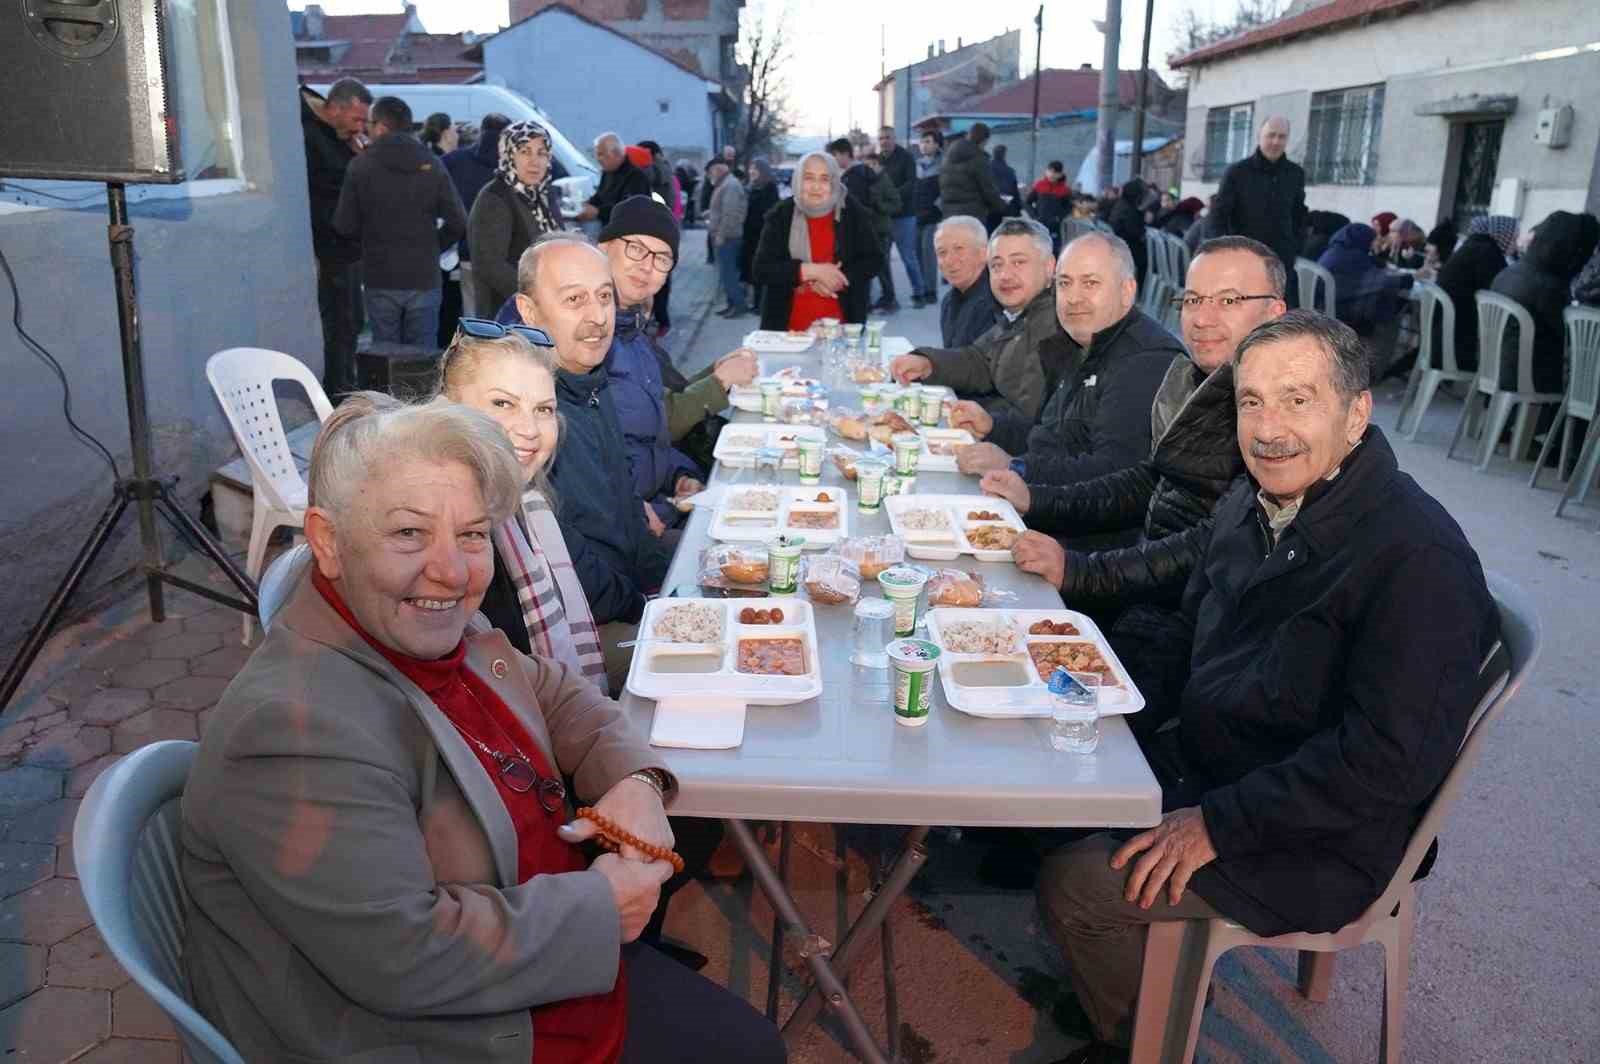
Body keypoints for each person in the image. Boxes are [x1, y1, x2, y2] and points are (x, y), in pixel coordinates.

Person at [179, 389, 786, 1064]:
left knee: (694, 836)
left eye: (471, 534)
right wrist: (600, 909)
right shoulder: (292, 730)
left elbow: (555, 693)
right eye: (408, 532)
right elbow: (402, 956)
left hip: (532, 943)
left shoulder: (420, 625)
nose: (452, 569)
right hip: (450, 1028)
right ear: (328, 541)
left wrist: (637, 781)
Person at [1035, 311, 1498, 1064]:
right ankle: (1147, 988)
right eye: (1252, 402)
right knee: (1041, 790)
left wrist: (1217, 823)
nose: (1268, 428)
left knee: (1077, 889)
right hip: (1225, 757)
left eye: (1297, 400)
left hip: (1322, 832)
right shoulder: (1256, 504)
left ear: (1356, 415)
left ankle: (1141, 1040)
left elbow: (1388, 763)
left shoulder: (1419, 558)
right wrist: (1106, 704)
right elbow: (1190, 633)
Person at [985, 239, 1287, 778]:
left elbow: (1213, 543)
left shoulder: (1272, 413)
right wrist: (1037, 495)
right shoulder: (1204, 380)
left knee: (1027, 710)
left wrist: (1082, 571)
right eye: (1193, 300)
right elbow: (1149, 480)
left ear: (1274, 313)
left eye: (1229, 299)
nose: (1203, 318)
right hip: (1149, 594)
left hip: (1191, 634)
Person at [512, 235, 671, 671]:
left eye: (604, 297)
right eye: (574, 299)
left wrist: (662, 581)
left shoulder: (590, 384)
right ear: (529, 311)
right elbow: (566, 561)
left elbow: (628, 510)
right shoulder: (531, 413)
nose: (597, 317)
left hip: (626, 594)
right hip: (576, 634)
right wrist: (645, 605)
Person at [936, 232, 1182, 503]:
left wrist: (1016, 467)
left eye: (1090, 283)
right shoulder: (1076, 341)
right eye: (1065, 283)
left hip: (1088, 535)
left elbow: (1113, 476)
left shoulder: (1145, 360)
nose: (1073, 297)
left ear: (1126, 291)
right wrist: (993, 427)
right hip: (1050, 503)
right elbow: (1051, 434)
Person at [596, 196, 705, 535]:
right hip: (622, 526)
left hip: (660, 506)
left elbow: (648, 439)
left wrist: (681, 475)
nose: (647, 266)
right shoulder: (586, 337)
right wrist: (634, 506)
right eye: (636, 249)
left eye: (662, 258)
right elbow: (583, 459)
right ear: (603, 247)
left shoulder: (636, 337)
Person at [888, 217, 1060, 420]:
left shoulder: (1057, 323)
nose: (1005, 274)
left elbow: (1031, 419)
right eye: (997, 265)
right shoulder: (1019, 313)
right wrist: (927, 363)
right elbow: (979, 360)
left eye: (1018, 262)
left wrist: (987, 423)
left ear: (1049, 267)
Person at [334, 95, 467, 348]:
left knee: (385, 357)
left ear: (382, 127)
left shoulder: (360, 166)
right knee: (423, 357)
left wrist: (370, 243)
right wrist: (432, 247)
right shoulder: (432, 163)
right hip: (424, 276)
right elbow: (458, 221)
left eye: (370, 124)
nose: (366, 129)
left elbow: (344, 225)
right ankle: (421, 390)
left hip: (380, 275)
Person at [752, 151, 882, 330]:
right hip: (787, 328)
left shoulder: (852, 212)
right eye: (809, 178)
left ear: (834, 182)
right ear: (798, 180)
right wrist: (809, 271)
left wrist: (837, 279)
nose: (816, 187)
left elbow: (874, 260)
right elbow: (761, 269)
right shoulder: (781, 215)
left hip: (843, 326)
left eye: (824, 179)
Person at [300, 77, 372, 397]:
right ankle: (337, 393)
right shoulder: (310, 136)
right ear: (336, 109)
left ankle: (345, 386)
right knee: (340, 324)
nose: (360, 127)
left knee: (353, 322)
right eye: (356, 119)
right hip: (328, 246)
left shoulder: (341, 137)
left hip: (347, 247)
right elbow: (327, 191)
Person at [1490, 209, 1600, 393]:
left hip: (1496, 370)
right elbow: (1570, 341)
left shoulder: (1511, 272)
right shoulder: (1548, 287)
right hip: (1527, 381)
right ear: (1572, 250)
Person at [467, 121, 564, 323]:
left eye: (541, 153)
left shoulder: (544, 195)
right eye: (525, 151)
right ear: (509, 154)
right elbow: (491, 266)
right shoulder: (495, 197)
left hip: (544, 312)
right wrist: (538, 299)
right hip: (507, 316)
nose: (534, 161)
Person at [1212, 116, 1307, 304]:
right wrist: (1223, 253)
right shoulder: (1237, 172)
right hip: (1243, 262)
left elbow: (1299, 214)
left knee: (1280, 322)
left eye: (1282, 137)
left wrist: (1296, 246)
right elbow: (1218, 216)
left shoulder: (1295, 174)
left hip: (1281, 263)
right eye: (1271, 135)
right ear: (1259, 136)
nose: (1276, 141)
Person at [1433, 214, 1518, 372]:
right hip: (1455, 343)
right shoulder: (1488, 253)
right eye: (1513, 238)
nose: (1515, 244)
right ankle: (1493, 384)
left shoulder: (1474, 245)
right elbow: (1499, 292)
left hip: (1441, 335)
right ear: (1503, 235)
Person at [1316, 222, 1413, 335]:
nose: (1375, 243)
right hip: (1339, 310)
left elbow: (1372, 263)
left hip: (1322, 306)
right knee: (1388, 302)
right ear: (1364, 239)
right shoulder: (1353, 257)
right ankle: (1384, 351)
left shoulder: (1336, 250)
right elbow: (1382, 280)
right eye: (1373, 239)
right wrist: (1407, 279)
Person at [931, 215, 1000, 349]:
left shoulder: (996, 302)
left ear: (983, 253)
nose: (950, 260)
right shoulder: (948, 301)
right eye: (942, 252)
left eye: (959, 249)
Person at [878, 125, 928, 307]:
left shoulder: (906, 158)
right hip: (884, 216)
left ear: (894, 138)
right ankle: (889, 297)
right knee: (882, 258)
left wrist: (891, 195)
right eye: (881, 138)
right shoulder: (878, 160)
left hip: (904, 215)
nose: (884, 141)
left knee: (908, 256)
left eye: (887, 137)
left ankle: (919, 293)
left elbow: (911, 184)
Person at [637, 140, 681, 336]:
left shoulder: (656, 170)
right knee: (659, 279)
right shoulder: (666, 169)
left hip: (658, 234)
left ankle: (661, 321)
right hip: (664, 232)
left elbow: (648, 179)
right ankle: (660, 320)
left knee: (658, 281)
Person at [576, 132, 652, 225]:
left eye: (601, 154)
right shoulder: (608, 172)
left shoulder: (637, 177)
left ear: (617, 153)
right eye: (596, 154)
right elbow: (600, 196)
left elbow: (630, 209)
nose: (598, 159)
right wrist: (587, 204)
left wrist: (598, 212)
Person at [706, 160, 750, 317]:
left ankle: (738, 305)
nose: (710, 175)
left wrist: (721, 235)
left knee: (729, 274)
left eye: (711, 172)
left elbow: (730, 214)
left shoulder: (730, 185)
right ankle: (732, 304)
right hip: (726, 236)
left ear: (718, 169)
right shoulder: (726, 183)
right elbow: (723, 210)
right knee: (726, 274)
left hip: (728, 237)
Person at [861, 151, 904, 311]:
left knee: (882, 266)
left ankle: (890, 299)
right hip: (868, 230)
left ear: (879, 166)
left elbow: (896, 203)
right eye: (867, 165)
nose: (870, 168)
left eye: (873, 165)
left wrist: (881, 207)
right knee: (868, 266)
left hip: (881, 231)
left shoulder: (884, 180)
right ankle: (867, 301)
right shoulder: (864, 180)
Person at [940, 122, 1005, 226]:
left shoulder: (948, 157)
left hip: (948, 213)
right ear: (985, 140)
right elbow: (987, 189)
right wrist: (1002, 206)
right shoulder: (979, 159)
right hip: (972, 215)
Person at [740, 159, 782, 318]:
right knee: (753, 272)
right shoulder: (754, 187)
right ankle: (757, 303)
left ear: (762, 171)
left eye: (755, 169)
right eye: (750, 168)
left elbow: (767, 214)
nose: (751, 171)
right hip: (751, 237)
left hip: (761, 237)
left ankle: (761, 305)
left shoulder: (769, 188)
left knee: (759, 271)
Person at [913, 129, 945, 305]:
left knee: (928, 253)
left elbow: (947, 190)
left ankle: (930, 291)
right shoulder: (917, 164)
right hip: (917, 214)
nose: (924, 145)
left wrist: (937, 207)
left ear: (937, 144)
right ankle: (921, 289)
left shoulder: (944, 165)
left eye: (928, 141)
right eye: (922, 141)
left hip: (934, 216)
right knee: (917, 252)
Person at [1108, 179, 1149, 292]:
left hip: (1117, 246)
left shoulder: (1120, 205)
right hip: (1127, 248)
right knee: (1147, 261)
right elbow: (1135, 232)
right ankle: (1141, 292)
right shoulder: (1130, 210)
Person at [1025, 161, 1071, 249]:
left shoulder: (1065, 190)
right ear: (1046, 171)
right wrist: (1034, 216)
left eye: (1056, 172)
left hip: (1054, 227)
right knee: (1037, 249)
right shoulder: (1039, 185)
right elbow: (1027, 203)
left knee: (1053, 250)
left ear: (1060, 174)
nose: (1052, 174)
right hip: (1038, 225)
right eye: (1050, 171)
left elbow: (1068, 207)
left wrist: (1058, 218)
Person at [988, 143, 1021, 230]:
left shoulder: (986, 168)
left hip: (990, 207)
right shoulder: (1010, 171)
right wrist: (1018, 210)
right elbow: (1015, 191)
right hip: (1006, 207)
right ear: (1004, 155)